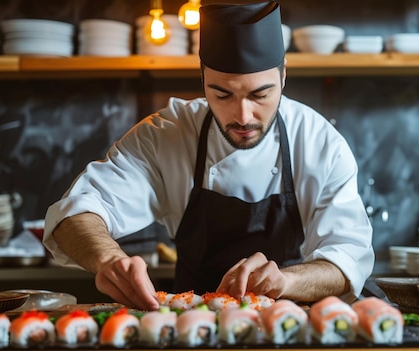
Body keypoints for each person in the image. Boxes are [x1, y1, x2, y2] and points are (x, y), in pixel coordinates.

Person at [43, 0, 374, 311]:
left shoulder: (320, 144)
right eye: (222, 93)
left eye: (261, 94)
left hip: (286, 323)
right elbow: (75, 213)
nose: (243, 116)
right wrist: (108, 260)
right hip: (190, 322)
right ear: (202, 79)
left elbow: (346, 261)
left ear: (283, 76)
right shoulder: (166, 135)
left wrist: (286, 279)